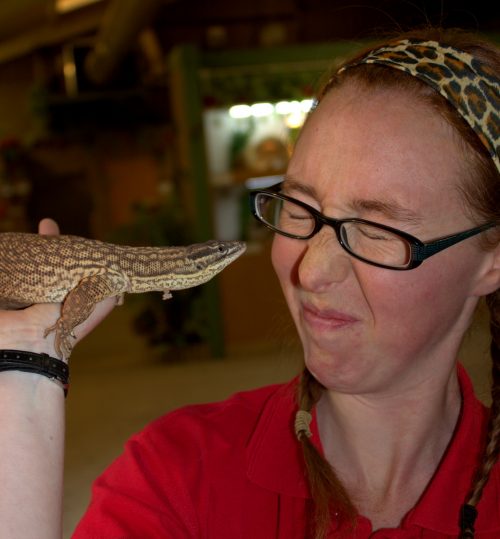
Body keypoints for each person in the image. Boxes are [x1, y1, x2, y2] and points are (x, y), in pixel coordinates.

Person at [0, 25, 498, 539]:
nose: (311, 270)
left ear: (493, 257)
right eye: (300, 207)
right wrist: (24, 370)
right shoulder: (175, 474)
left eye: (377, 228)